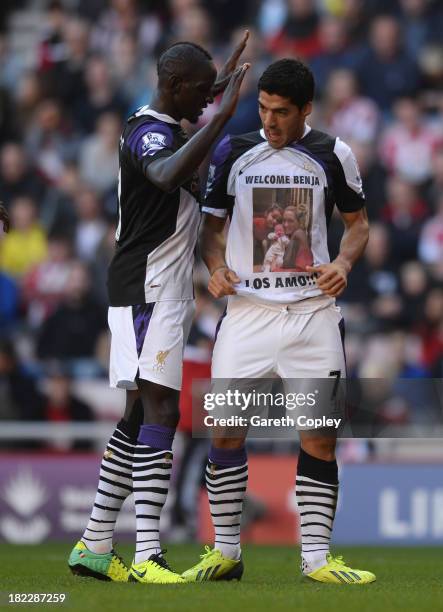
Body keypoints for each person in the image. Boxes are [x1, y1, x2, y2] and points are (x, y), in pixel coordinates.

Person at [182, 59, 375, 585]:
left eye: (282, 112)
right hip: (246, 315)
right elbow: (211, 228)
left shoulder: (334, 154)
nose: (270, 120)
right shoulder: (233, 151)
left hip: (313, 315)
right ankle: (225, 551)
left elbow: (358, 226)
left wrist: (342, 263)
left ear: (306, 109)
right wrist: (217, 268)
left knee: (319, 438)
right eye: (264, 108)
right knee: (224, 431)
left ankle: (315, 558)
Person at [67, 35, 250, 584]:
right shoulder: (151, 132)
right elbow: (166, 174)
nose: (204, 101)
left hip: (152, 289)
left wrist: (212, 92)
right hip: (148, 289)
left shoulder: (167, 124)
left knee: (135, 417)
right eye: (197, 91)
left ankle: (95, 543)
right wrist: (221, 118)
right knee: (162, 412)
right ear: (172, 87)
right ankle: (148, 554)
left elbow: (185, 125)